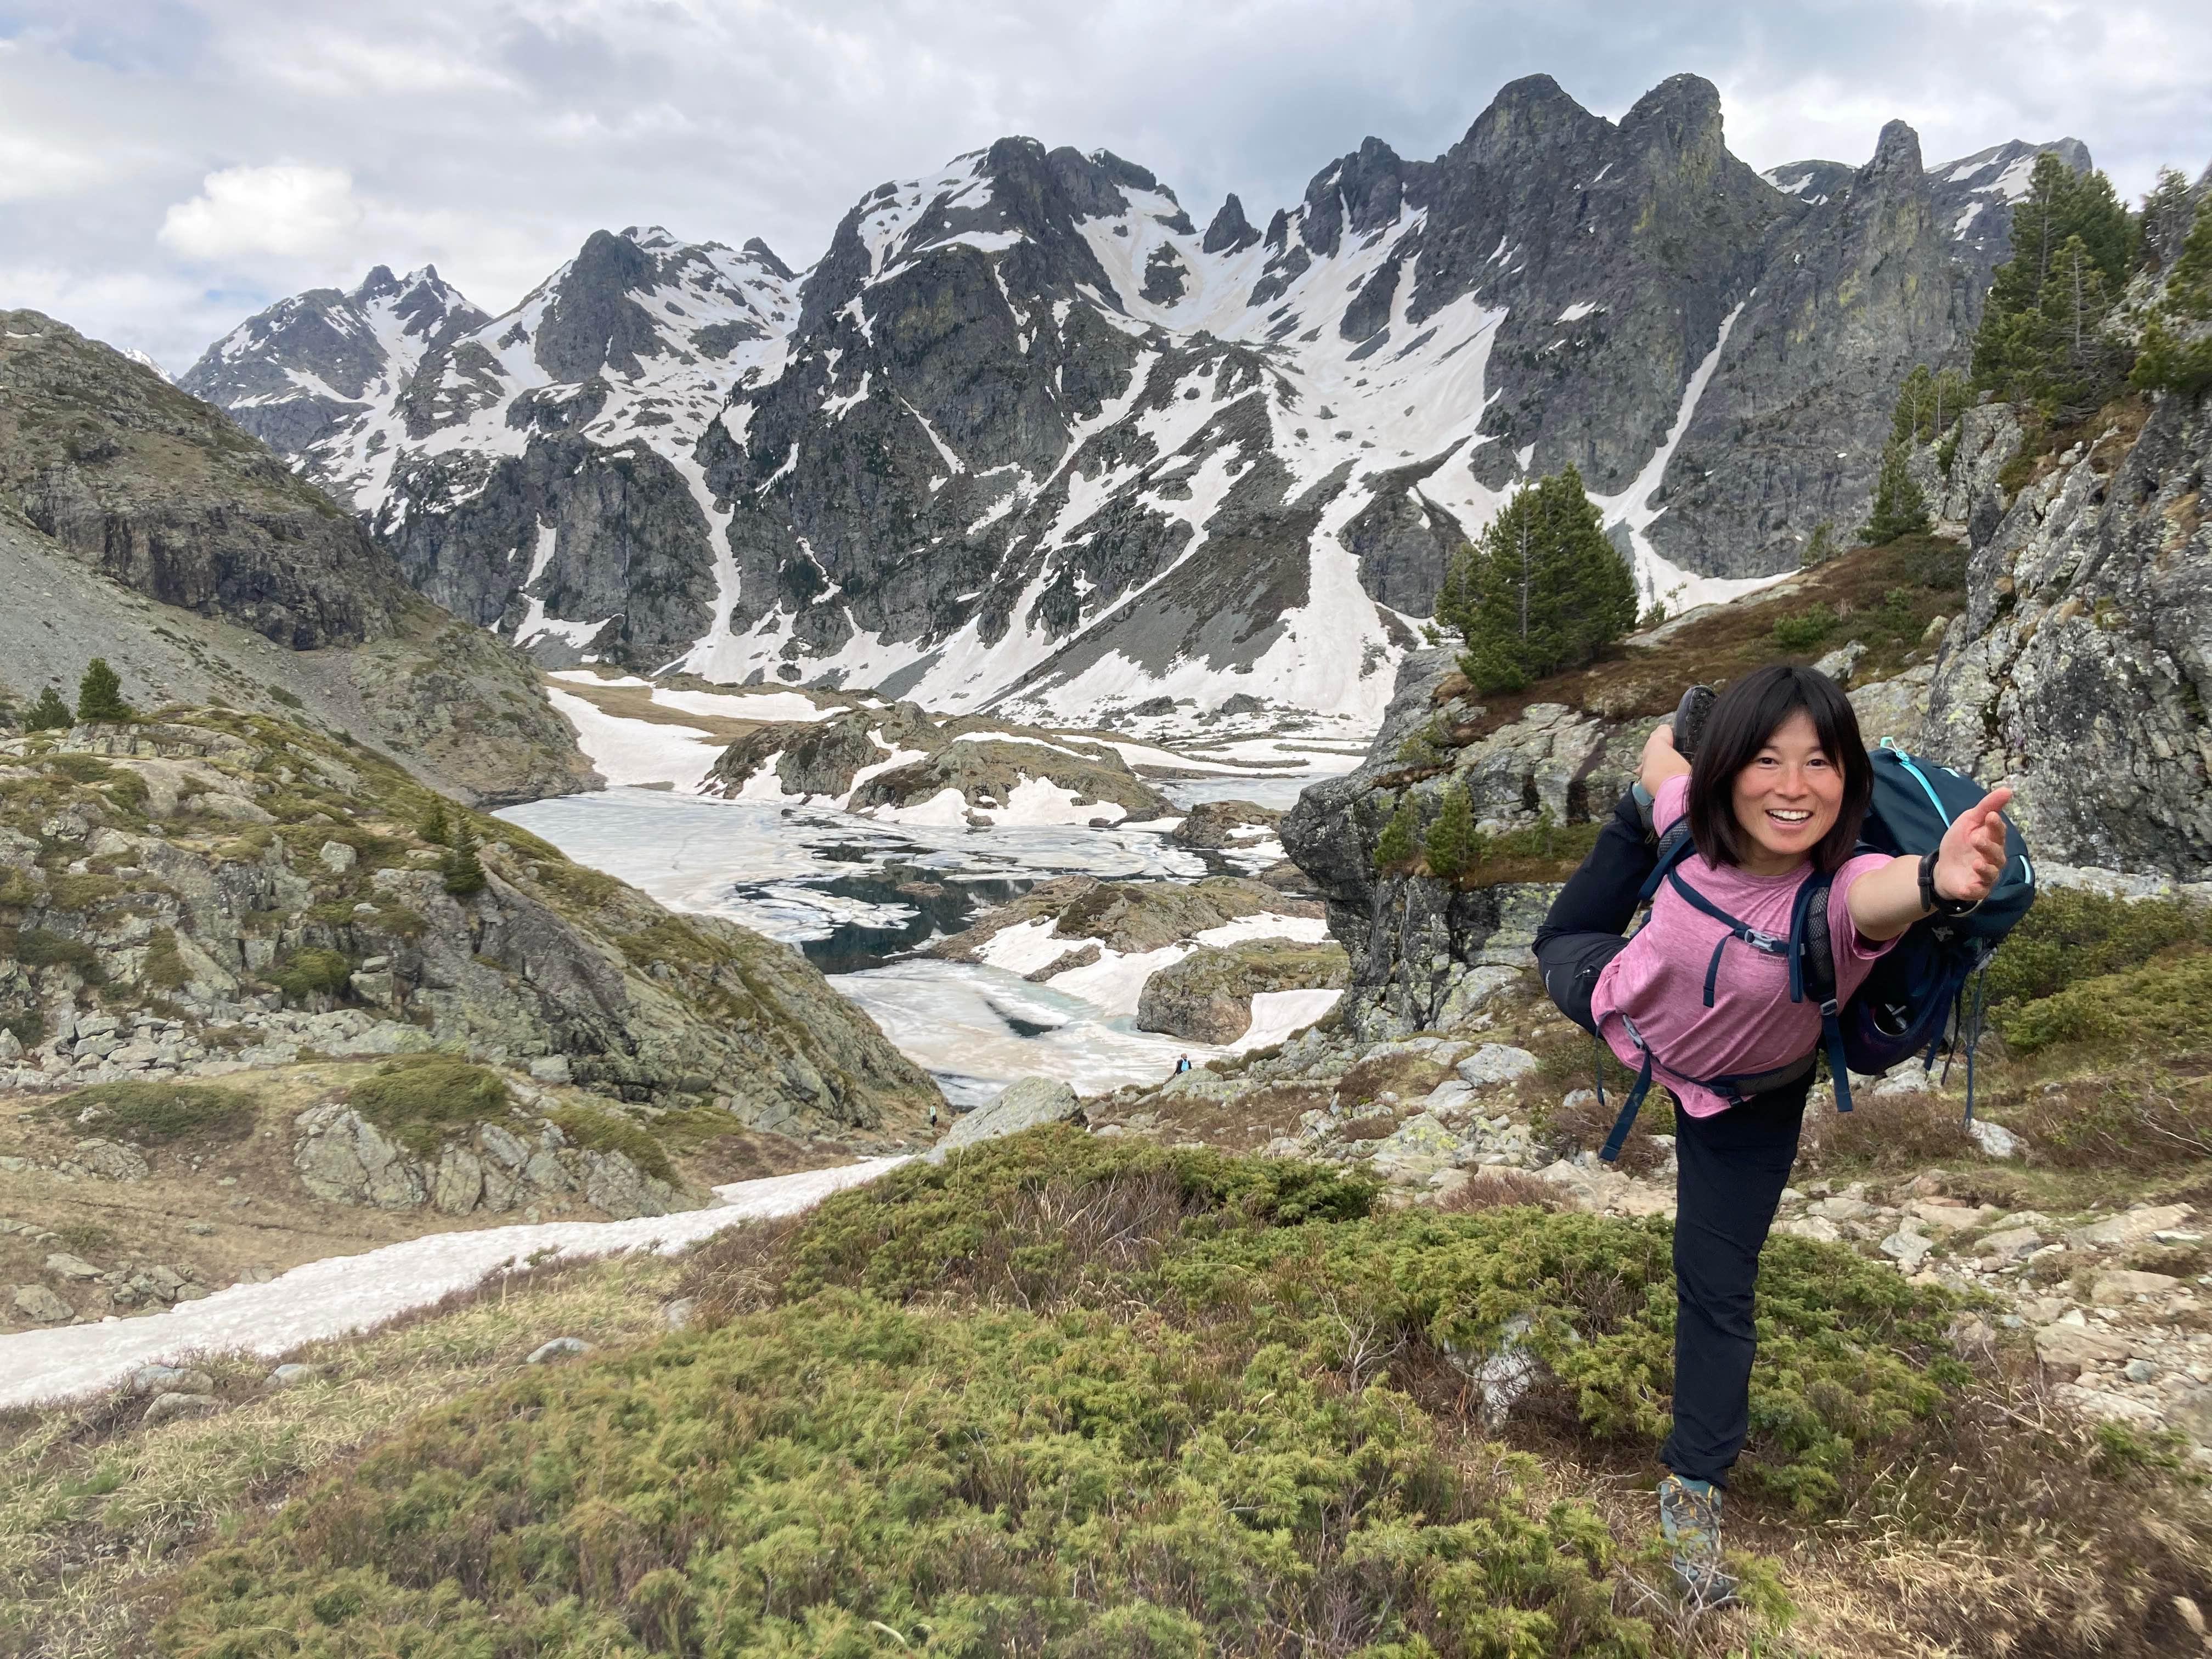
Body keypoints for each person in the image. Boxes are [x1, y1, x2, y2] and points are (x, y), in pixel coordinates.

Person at [1531, 664, 2012, 1606]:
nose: (1795, 787)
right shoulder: (1692, 822)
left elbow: (1884, 896)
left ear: (1849, 779)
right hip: (1618, 1003)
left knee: (1716, 1290)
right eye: (1764, 759)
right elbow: (1665, 761)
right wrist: (1669, 772)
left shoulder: (1836, 897)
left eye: (1820, 763)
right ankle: (1649, 809)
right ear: (1726, 774)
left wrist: (1938, 880)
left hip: (1745, 1101)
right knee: (1601, 879)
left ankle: (1695, 1486)